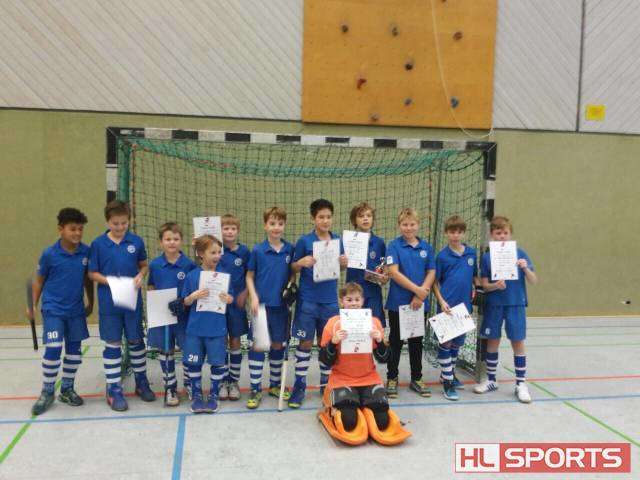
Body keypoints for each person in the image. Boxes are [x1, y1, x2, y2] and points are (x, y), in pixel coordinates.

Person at [317, 282, 411, 446]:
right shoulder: (333, 323)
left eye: (357, 300)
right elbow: (324, 360)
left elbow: (384, 359)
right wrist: (333, 342)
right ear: (341, 301)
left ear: (362, 301)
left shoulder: (373, 322)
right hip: (342, 379)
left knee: (382, 421)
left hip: (369, 378)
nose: (353, 303)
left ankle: (363, 404)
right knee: (349, 421)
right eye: (349, 300)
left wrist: (379, 341)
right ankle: (333, 404)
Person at [88, 200, 154, 411]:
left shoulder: (136, 241)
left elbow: (144, 266)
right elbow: (92, 273)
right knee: (113, 343)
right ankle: (114, 388)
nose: (120, 227)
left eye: (124, 223)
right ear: (107, 222)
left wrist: (140, 275)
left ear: (129, 221)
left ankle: (141, 381)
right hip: (109, 302)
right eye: (115, 223)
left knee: (136, 340)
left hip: (131, 300)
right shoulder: (98, 244)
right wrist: (110, 282)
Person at [30, 208, 93, 415]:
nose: (77, 233)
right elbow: (39, 281)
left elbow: (87, 280)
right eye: (73, 229)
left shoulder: (86, 252)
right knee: (54, 348)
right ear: (60, 229)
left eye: (80, 229)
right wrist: (32, 305)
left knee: (74, 352)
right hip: (53, 309)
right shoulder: (49, 254)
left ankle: (67, 389)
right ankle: (47, 391)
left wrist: (91, 302)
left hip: (76, 310)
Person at [289, 199, 347, 408]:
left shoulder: (338, 240)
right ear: (313, 218)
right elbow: (292, 268)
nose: (325, 221)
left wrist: (344, 264)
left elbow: (340, 268)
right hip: (308, 301)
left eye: (328, 217)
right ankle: (299, 385)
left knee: (327, 343)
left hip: (330, 301)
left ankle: (326, 384)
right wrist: (300, 263)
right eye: (321, 217)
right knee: (305, 343)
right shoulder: (304, 241)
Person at [474, 216, 538, 403]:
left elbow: (534, 280)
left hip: (515, 304)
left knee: (517, 341)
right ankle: (491, 380)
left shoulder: (520, 254)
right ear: (492, 235)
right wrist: (495, 286)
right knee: (492, 341)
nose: (502, 236)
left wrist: (525, 269)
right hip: (494, 304)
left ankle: (521, 383)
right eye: (498, 233)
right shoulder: (487, 257)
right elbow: (485, 285)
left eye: (505, 233)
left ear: (510, 234)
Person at [245, 207, 295, 409]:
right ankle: (255, 388)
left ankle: (275, 385)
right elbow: (249, 276)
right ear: (265, 225)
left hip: (281, 307)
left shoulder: (289, 249)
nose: (276, 227)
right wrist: (253, 297)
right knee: (258, 346)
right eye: (272, 223)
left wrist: (291, 287)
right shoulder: (258, 250)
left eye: (280, 223)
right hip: (262, 307)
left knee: (277, 345)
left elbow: (292, 274)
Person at [385, 208, 435, 398]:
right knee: (396, 342)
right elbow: (393, 272)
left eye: (412, 224)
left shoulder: (426, 248)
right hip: (398, 303)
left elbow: (431, 272)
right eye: (405, 224)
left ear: (418, 225)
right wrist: (417, 290)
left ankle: (417, 378)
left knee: (416, 342)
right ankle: (392, 378)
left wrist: (421, 295)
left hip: (418, 304)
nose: (408, 228)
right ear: (399, 226)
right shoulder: (393, 246)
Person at [181, 235, 234, 413]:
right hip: (195, 329)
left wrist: (229, 299)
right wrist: (192, 296)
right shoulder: (192, 276)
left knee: (217, 363)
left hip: (216, 328)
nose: (217, 256)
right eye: (213, 252)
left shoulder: (224, 276)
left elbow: (231, 297)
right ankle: (196, 394)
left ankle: (214, 395)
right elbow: (184, 301)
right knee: (193, 363)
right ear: (201, 254)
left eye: (219, 252)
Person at [147, 222, 197, 406]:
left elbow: (193, 288)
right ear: (160, 242)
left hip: (184, 317)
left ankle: (190, 384)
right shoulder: (155, 265)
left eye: (175, 239)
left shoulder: (189, 264)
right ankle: (170, 387)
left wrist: (183, 302)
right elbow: (151, 286)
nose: (172, 242)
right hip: (163, 317)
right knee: (165, 350)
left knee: (188, 350)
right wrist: (155, 302)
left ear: (181, 241)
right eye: (167, 239)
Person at [433, 215, 479, 401]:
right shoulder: (442, 256)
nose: (455, 235)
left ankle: (447, 373)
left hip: (464, 308)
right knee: (446, 343)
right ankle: (448, 382)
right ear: (446, 233)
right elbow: (435, 282)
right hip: (447, 307)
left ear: (463, 233)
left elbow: (474, 277)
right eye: (452, 232)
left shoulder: (471, 254)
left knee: (457, 343)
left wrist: (476, 288)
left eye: (459, 232)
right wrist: (441, 301)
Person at [218, 214, 250, 401]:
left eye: (233, 228)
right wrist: (197, 247)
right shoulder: (215, 249)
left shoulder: (244, 252)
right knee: (221, 340)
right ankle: (222, 381)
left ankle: (234, 381)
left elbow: (250, 276)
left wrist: (245, 293)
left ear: (237, 231)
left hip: (236, 305)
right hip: (218, 304)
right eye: (226, 228)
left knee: (235, 340)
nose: (229, 232)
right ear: (220, 231)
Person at [345, 202, 388, 326]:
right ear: (354, 220)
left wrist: (384, 277)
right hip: (353, 295)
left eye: (368, 216)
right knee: (353, 329)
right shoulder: (348, 241)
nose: (365, 218)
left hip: (373, 293)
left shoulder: (379, 243)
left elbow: (384, 268)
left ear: (372, 219)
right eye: (361, 216)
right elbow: (340, 266)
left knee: (374, 328)